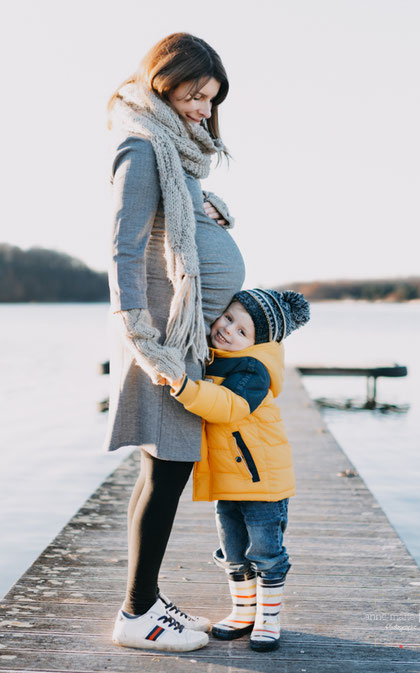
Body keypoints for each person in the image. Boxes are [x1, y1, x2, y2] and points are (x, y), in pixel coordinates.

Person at [104, 33, 245, 652]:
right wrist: (142, 339)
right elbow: (123, 248)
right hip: (163, 340)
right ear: (166, 80)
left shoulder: (173, 152)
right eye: (195, 94)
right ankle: (137, 615)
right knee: (168, 470)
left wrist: (204, 204)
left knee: (161, 471)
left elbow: (173, 217)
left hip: (182, 336)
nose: (203, 110)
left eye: (211, 101)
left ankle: (145, 601)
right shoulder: (140, 145)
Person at [162, 288, 310, 651]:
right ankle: (244, 612)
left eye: (242, 331)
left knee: (266, 554)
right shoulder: (218, 356)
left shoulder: (254, 369)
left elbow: (228, 406)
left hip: (262, 483)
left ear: (256, 342)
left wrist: (184, 386)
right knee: (233, 552)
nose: (228, 330)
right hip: (230, 480)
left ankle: (268, 619)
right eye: (228, 318)